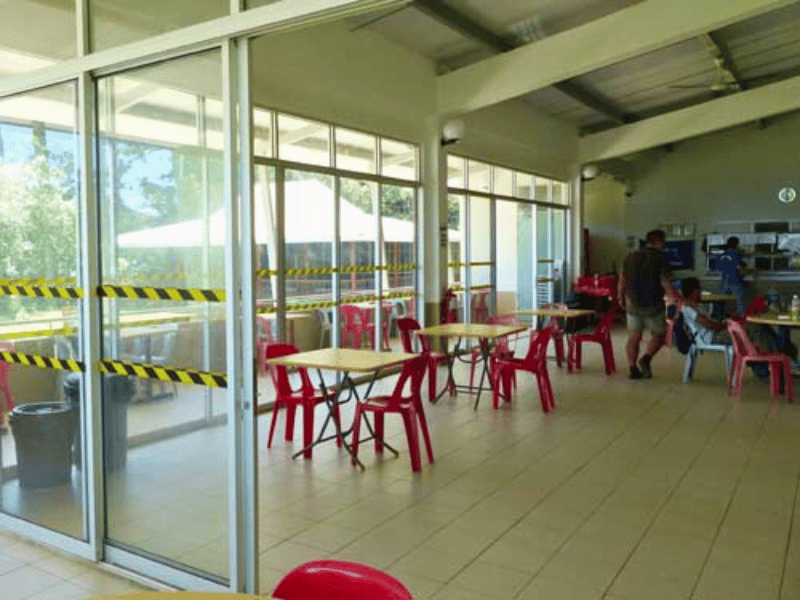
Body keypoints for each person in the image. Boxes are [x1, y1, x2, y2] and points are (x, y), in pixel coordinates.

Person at [618, 229, 680, 379]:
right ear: (659, 241)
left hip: (633, 304)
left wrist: (620, 297)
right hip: (654, 305)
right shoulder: (661, 259)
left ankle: (632, 368)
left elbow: (622, 280)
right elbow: (665, 283)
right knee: (660, 335)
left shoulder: (630, 257)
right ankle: (646, 358)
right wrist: (677, 300)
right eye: (663, 241)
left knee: (634, 336)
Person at [716, 236, 746, 315]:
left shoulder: (721, 255)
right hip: (735, 282)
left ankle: (723, 322)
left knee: (723, 306)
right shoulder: (736, 254)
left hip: (723, 283)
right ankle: (739, 324)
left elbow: (719, 269)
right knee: (739, 306)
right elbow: (741, 270)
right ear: (736, 244)